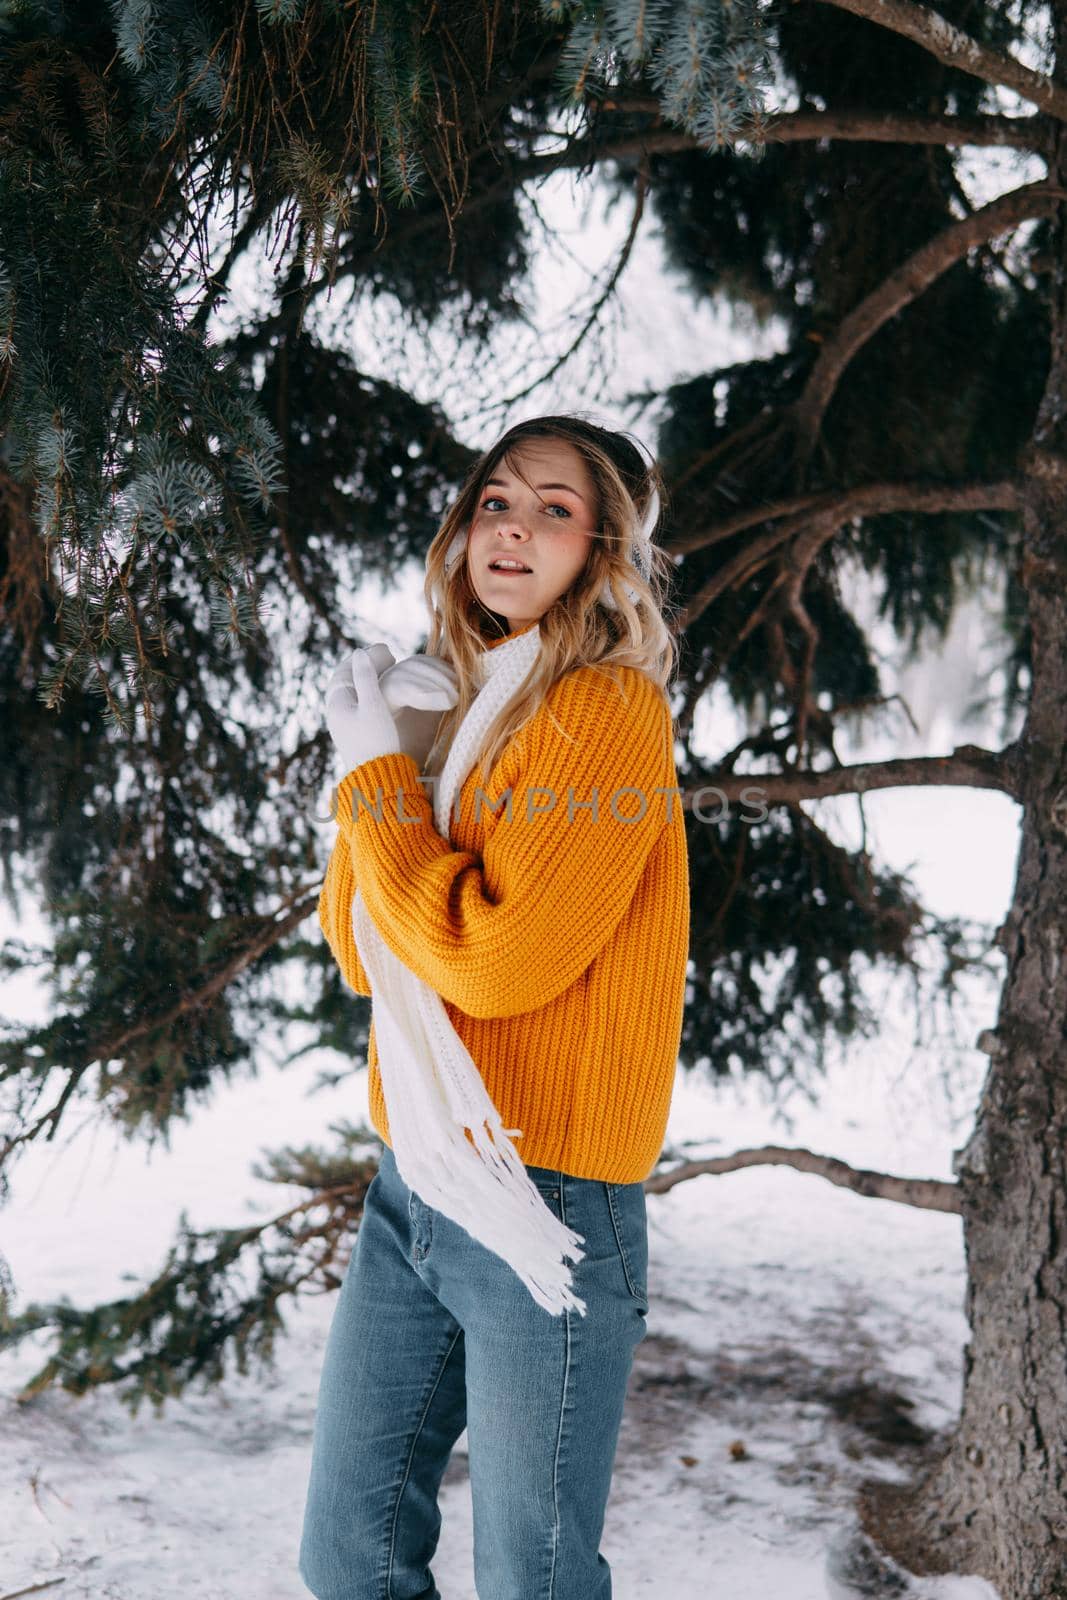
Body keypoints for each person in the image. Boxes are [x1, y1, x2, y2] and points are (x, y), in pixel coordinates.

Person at [299, 414, 691, 1600]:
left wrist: (376, 780)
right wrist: (406, 750)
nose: (513, 528)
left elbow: (493, 960)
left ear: (603, 553)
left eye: (553, 510)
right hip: (417, 1177)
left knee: (534, 1575)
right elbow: (363, 948)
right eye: (495, 501)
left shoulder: (603, 714)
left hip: (549, 1197)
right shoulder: (474, 709)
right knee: (349, 1555)